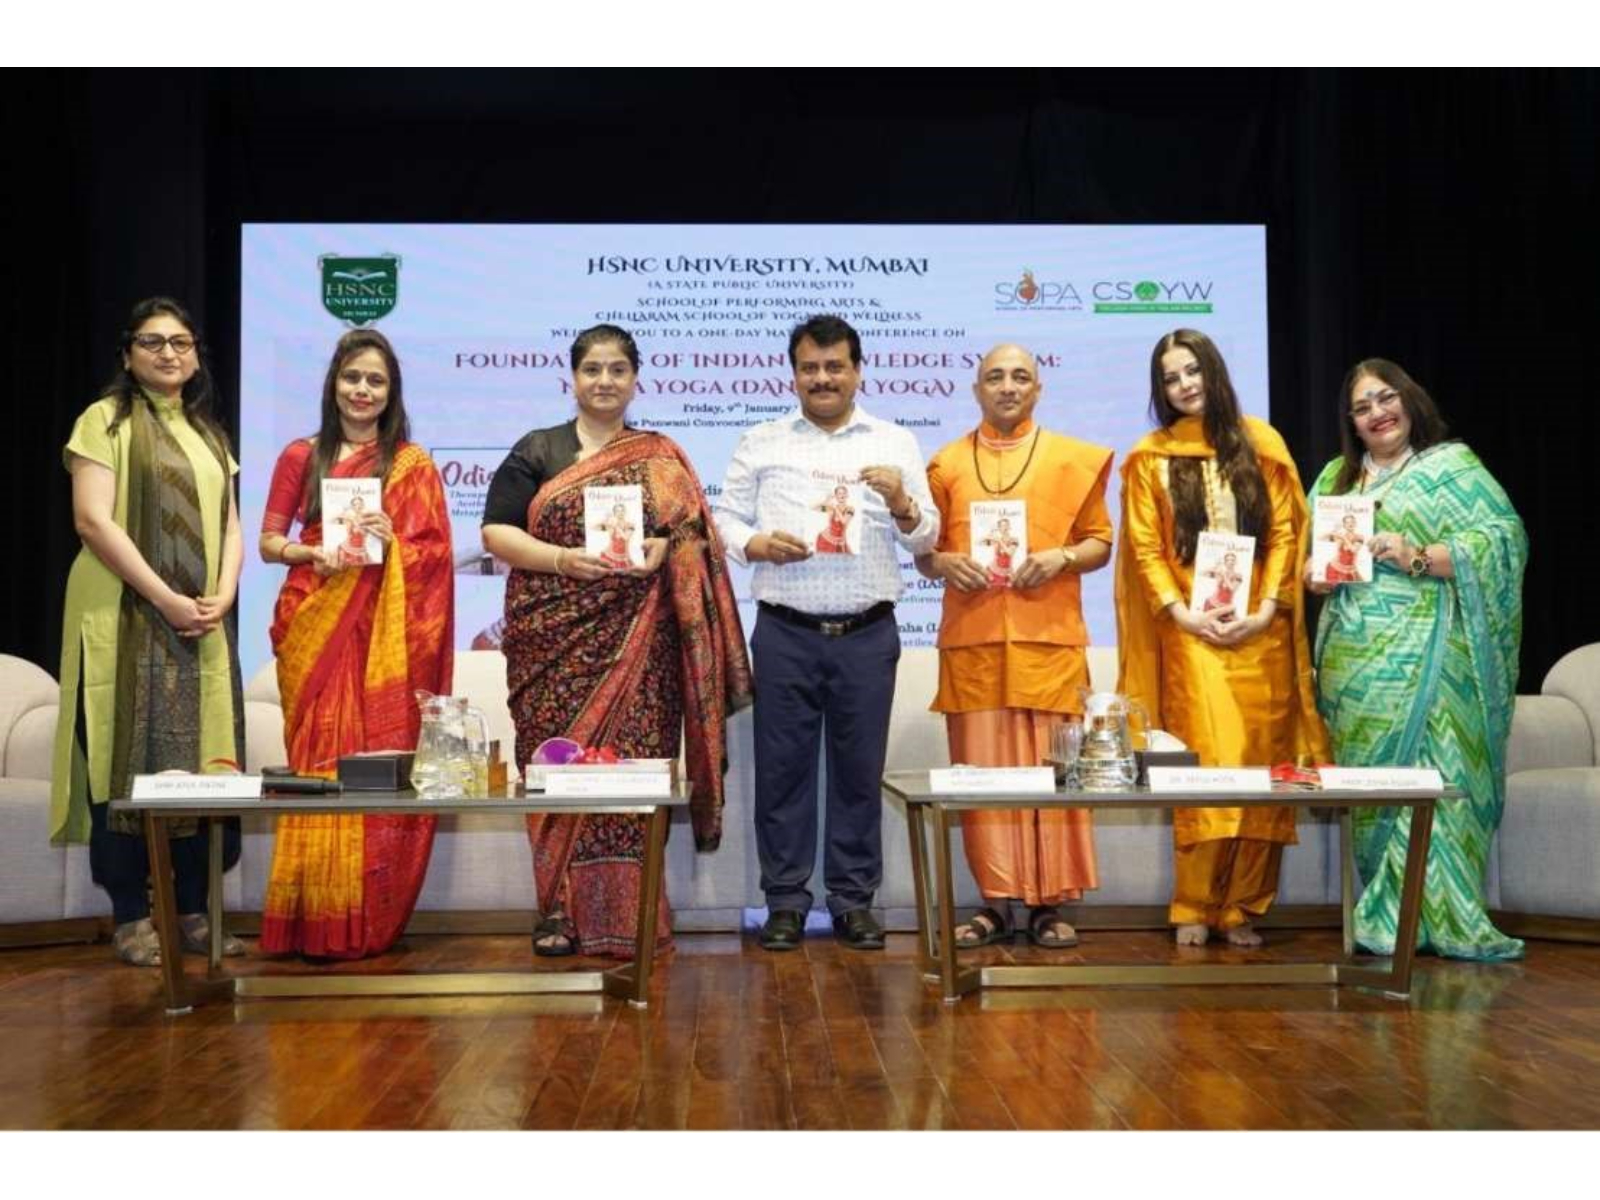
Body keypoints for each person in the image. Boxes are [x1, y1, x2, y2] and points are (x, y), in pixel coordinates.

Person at [482, 324, 751, 959]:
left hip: (640, 647)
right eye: (592, 370)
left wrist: (665, 546)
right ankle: (556, 912)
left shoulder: (659, 456)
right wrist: (561, 560)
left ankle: (631, 915)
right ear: (571, 379)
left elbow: (690, 537)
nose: (604, 381)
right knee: (553, 769)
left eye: (617, 370)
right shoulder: (538, 449)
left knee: (631, 778)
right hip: (552, 642)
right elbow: (496, 532)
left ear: (635, 379)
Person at [713, 314, 939, 952]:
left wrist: (902, 501)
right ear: (793, 374)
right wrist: (754, 543)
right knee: (781, 774)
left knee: (858, 772)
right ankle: (784, 902)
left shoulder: (894, 441)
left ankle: (853, 902)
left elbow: (925, 538)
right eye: (810, 367)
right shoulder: (762, 440)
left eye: (834, 366)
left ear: (858, 371)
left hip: (868, 634)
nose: (822, 378)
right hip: (785, 631)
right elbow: (724, 518)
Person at [1114, 329, 1329, 947]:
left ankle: (1243, 907)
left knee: (1265, 772)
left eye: (1192, 372)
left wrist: (1266, 610)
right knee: (1207, 770)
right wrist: (1181, 615)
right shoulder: (1150, 456)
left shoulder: (1262, 445)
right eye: (1170, 378)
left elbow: (1287, 533)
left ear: (1214, 372)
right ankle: (1193, 905)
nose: (1184, 385)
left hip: (1262, 635)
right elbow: (1147, 550)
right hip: (1195, 636)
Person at [1305, 359, 1526, 960]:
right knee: (1379, 788)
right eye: (1362, 407)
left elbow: (1504, 543)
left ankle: (1444, 917)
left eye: (1385, 398)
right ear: (1350, 423)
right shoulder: (1333, 479)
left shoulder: (1453, 468)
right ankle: (1385, 914)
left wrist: (1418, 555)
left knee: (1437, 779)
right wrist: (1316, 578)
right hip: (1357, 667)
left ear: (1409, 399)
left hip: (1436, 657)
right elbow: (1313, 560)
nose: (1377, 413)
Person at [50, 297, 246, 967]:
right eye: (153, 342)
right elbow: (92, 522)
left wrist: (221, 594)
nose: (169, 353)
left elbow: (229, 526)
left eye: (182, 342)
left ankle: (192, 911)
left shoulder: (207, 432)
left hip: (198, 622)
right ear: (128, 354)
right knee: (124, 763)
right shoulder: (103, 420)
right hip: (125, 618)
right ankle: (132, 917)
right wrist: (165, 598)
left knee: (203, 766)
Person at [257, 329, 455, 958]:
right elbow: (269, 542)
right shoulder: (300, 455)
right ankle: (308, 917)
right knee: (316, 766)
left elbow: (435, 555)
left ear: (391, 392)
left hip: (380, 635)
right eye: (352, 378)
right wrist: (309, 551)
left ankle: (362, 920)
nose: (362, 391)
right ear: (333, 382)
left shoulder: (410, 465)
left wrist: (394, 539)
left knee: (371, 767)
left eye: (375, 381)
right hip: (315, 615)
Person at [918, 343, 1113, 949]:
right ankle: (996, 904)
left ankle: (1051, 906)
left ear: (1038, 389)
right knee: (981, 776)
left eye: (1020, 376)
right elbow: (926, 555)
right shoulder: (945, 464)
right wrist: (946, 562)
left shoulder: (1070, 459)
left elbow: (1100, 543)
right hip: (974, 644)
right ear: (976, 389)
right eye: (995, 377)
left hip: (1049, 641)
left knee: (1053, 773)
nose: (1007, 386)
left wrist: (1061, 556)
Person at [1320, 512, 1367, 584]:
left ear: (1355, 523)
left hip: (1349, 571)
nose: (1350, 524)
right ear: (1344, 525)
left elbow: (1354, 550)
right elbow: (1321, 538)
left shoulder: (1359, 537)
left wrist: (1343, 538)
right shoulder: (1339, 536)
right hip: (1334, 569)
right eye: (1347, 522)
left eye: (1352, 522)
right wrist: (1332, 531)